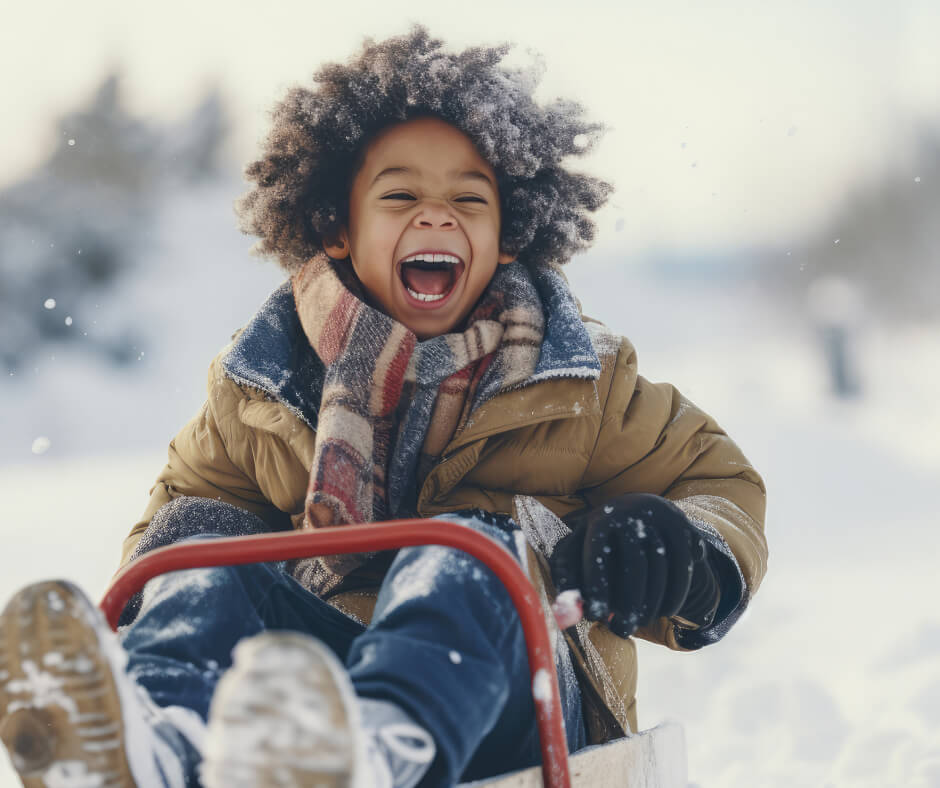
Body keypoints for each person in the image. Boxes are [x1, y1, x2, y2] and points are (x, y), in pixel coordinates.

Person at [0, 27, 767, 788]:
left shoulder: (579, 381)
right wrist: (173, 593)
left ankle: (377, 747)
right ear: (337, 225)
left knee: (470, 552)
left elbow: (718, 483)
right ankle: (160, 744)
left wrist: (679, 552)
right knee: (200, 546)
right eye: (400, 196)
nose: (436, 219)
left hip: (520, 710)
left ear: (508, 237)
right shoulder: (265, 386)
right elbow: (165, 550)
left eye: (468, 199)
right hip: (294, 718)